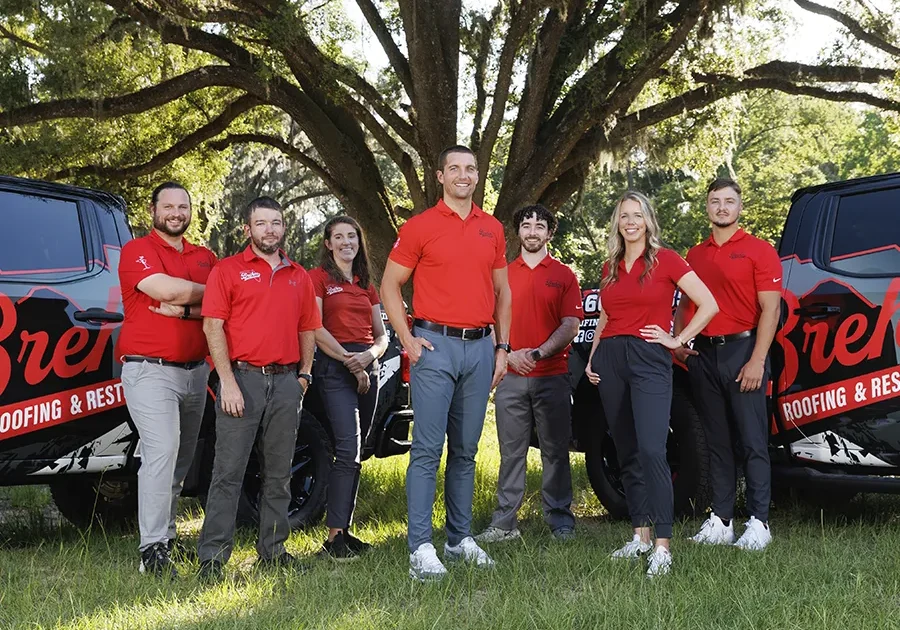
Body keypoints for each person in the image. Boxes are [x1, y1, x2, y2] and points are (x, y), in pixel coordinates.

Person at [381, 145, 512, 582]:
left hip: (479, 348)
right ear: (440, 176)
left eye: (470, 169)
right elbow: (389, 285)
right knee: (426, 450)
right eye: (454, 168)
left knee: (467, 451)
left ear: (478, 176)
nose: (463, 175)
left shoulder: (492, 228)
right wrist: (407, 339)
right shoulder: (419, 227)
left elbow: (503, 292)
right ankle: (420, 547)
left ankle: (459, 539)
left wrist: (502, 348)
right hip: (434, 345)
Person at [585, 191, 718, 577]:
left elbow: (708, 304)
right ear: (617, 222)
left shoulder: (667, 260)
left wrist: (678, 340)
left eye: (637, 215)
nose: (630, 222)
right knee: (625, 449)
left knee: (651, 449)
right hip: (610, 359)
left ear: (648, 220)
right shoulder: (610, 265)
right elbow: (606, 318)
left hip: (649, 359)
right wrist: (594, 358)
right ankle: (639, 536)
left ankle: (662, 545)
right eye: (624, 215)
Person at [196, 197, 320, 580]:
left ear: (284, 228)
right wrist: (228, 382)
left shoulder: (299, 275)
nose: (270, 230)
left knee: (279, 472)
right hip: (242, 380)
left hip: (286, 382)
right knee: (228, 472)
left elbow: (307, 330)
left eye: (276, 223)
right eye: (262, 223)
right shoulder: (227, 270)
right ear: (247, 230)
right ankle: (213, 558)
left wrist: (304, 376)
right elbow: (212, 327)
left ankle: (273, 549)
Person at [116, 181, 217, 577]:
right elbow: (164, 289)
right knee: (161, 453)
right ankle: (152, 552)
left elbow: (216, 309)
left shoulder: (205, 255)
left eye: (183, 206)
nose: (176, 213)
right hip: (149, 371)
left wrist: (190, 306)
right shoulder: (137, 251)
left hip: (196, 372)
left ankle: (167, 539)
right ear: (154, 210)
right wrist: (211, 291)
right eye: (168, 206)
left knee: (178, 463)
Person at [674, 178, 781, 551]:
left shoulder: (759, 250)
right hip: (704, 355)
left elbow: (772, 309)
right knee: (717, 442)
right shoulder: (695, 253)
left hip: (743, 352)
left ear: (739, 207)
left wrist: (757, 360)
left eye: (729, 202)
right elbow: (685, 303)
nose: (722, 207)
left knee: (752, 441)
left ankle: (759, 522)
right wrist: (679, 341)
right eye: (716, 201)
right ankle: (721, 520)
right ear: (707, 206)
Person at [476, 204, 582, 544]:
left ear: (550, 233)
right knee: (512, 452)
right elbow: (489, 322)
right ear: (518, 232)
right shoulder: (503, 274)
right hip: (510, 376)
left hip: (551, 374)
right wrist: (507, 354)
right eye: (526, 225)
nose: (532, 231)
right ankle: (504, 523)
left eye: (540, 226)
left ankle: (560, 519)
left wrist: (535, 353)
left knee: (554, 450)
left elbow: (570, 325)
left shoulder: (564, 275)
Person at [307, 216, 388, 559]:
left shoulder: (367, 283)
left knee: (358, 453)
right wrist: (348, 360)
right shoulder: (319, 278)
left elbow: (382, 335)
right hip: (335, 367)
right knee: (348, 449)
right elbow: (314, 327)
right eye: (338, 237)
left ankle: (345, 531)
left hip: (369, 367)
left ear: (359, 241)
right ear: (328, 244)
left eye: (351, 236)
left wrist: (368, 356)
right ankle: (333, 540)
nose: (345, 242)